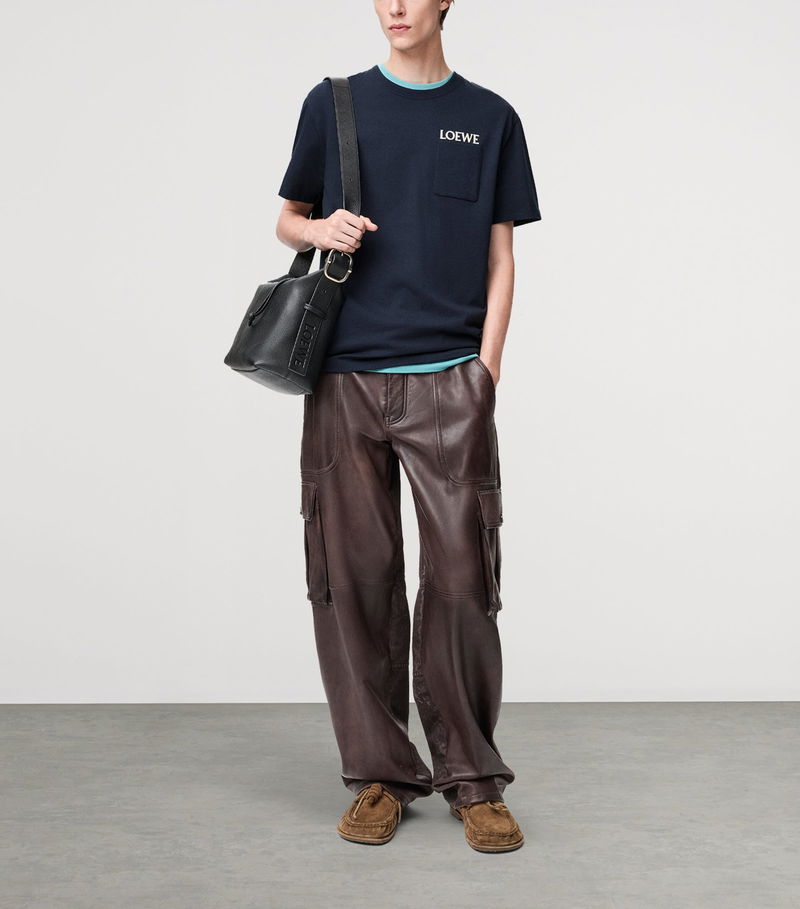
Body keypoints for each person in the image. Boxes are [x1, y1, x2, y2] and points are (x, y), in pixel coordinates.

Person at [275, 0, 541, 854]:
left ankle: (472, 777)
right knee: (354, 579)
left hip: (449, 379)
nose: (393, 6)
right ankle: (381, 774)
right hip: (343, 377)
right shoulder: (334, 104)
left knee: (462, 579)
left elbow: (502, 256)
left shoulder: (490, 117)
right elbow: (286, 217)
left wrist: (485, 371)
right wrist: (320, 227)